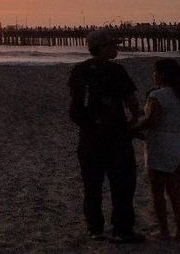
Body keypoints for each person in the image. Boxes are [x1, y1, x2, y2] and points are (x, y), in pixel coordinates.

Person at [68, 28, 145, 243]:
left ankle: (95, 228)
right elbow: (131, 101)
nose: (116, 47)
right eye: (112, 44)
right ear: (101, 48)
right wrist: (134, 120)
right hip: (116, 137)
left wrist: (90, 124)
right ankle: (122, 229)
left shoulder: (80, 70)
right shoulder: (117, 70)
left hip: (89, 137)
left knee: (92, 186)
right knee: (123, 185)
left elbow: (75, 104)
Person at [134, 59, 180, 240]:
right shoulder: (177, 94)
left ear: (161, 74)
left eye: (155, 72)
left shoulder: (158, 95)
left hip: (161, 145)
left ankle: (164, 231)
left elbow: (152, 121)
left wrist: (133, 129)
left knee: (158, 192)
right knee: (175, 191)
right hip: (177, 143)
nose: (153, 75)